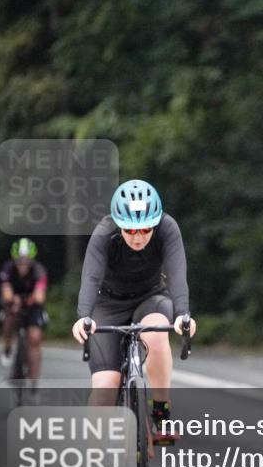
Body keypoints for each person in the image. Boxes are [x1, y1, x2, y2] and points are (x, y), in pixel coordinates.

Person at [70, 179, 197, 443]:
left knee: (156, 335)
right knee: (105, 387)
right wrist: (84, 316)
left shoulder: (167, 228)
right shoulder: (105, 232)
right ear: (118, 223)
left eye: (145, 229)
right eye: (130, 230)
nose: (138, 237)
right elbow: (91, 278)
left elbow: (176, 273)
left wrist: (184, 314)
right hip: (108, 304)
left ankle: (161, 413)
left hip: (151, 297)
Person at [0, 238, 48, 386]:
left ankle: (33, 380)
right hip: (13, 305)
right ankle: (7, 347)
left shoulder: (39, 270)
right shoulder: (8, 268)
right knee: (9, 318)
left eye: (26, 261)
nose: (23, 264)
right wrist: (14, 301)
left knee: (34, 337)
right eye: (19, 260)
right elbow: (6, 293)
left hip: (33, 307)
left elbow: (39, 297)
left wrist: (27, 300)